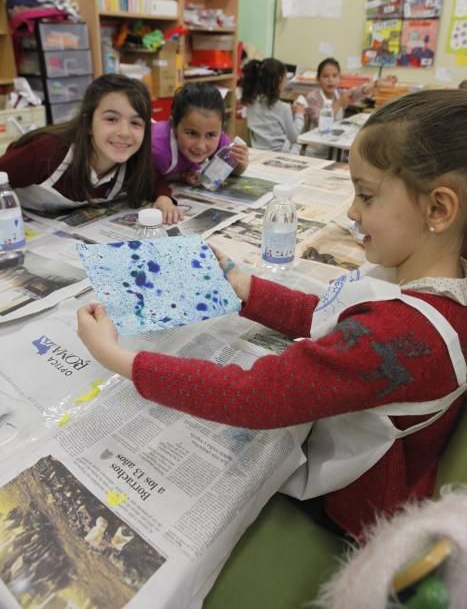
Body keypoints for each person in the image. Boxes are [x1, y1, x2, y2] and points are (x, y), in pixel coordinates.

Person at [77, 89, 467, 540]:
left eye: (366, 196)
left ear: (438, 209)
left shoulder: (403, 332)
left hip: (355, 511)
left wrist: (114, 356)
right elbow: (331, 317)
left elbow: (252, 395)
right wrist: (245, 287)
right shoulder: (430, 277)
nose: (352, 212)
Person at [0, 74, 175, 213]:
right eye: (111, 119)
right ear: (89, 124)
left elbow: (154, 180)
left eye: (136, 123)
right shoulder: (47, 149)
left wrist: (164, 197)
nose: (124, 133)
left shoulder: (132, 162)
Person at [151, 82, 249, 223]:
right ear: (173, 125)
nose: (201, 146)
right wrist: (164, 196)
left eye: (210, 135)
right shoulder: (157, 146)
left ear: (221, 129)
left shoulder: (219, 138)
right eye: (191, 133)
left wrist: (240, 164)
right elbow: (144, 179)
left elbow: (230, 167)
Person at [306, 57, 397, 129]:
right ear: (318, 79)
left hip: (334, 145)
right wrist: (339, 103)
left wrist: (375, 84)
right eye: (325, 76)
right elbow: (320, 123)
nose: (331, 80)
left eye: (335, 76)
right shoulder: (313, 97)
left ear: (339, 78)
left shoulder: (339, 93)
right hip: (315, 149)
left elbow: (358, 92)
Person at [241, 58, 305, 153]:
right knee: (297, 144)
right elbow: (294, 137)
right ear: (280, 79)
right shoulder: (283, 108)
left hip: (258, 152)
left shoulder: (251, 103)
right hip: (281, 155)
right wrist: (299, 114)